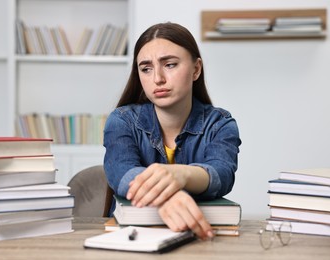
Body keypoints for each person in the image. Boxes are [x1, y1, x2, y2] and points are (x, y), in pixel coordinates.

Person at [103, 22, 241, 240]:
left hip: (199, 239)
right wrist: (168, 194)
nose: (157, 78)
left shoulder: (220, 123)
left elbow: (222, 174)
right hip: (130, 239)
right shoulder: (122, 120)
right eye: (146, 68)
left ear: (196, 69)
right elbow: (121, 172)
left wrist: (181, 175)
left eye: (170, 65)